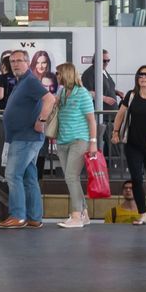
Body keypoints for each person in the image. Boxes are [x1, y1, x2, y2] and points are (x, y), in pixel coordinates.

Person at [0, 50, 57, 229]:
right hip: (21, 137)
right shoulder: (22, 82)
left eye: (19, 61)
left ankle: (18, 215)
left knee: (12, 175)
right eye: (12, 61)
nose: (15, 64)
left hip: (26, 138)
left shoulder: (30, 81)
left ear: (27, 62)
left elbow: (50, 99)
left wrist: (42, 120)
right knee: (29, 178)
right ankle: (34, 217)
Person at [52, 63, 98, 228]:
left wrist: (93, 143)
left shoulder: (82, 93)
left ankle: (76, 216)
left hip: (79, 140)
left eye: (58, 73)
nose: (56, 76)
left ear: (67, 74)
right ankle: (83, 213)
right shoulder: (62, 92)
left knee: (71, 177)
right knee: (70, 178)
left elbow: (91, 120)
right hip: (63, 140)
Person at [112, 65, 146, 225]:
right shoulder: (131, 96)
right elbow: (120, 115)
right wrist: (115, 132)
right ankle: (143, 214)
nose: (143, 78)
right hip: (133, 145)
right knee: (137, 179)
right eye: (140, 75)